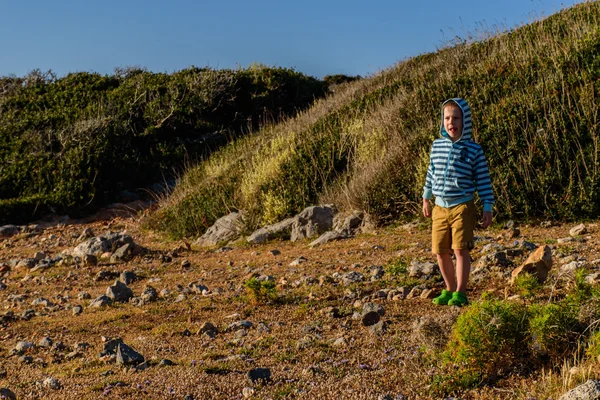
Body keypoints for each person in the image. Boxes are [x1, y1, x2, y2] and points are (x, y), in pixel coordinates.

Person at [422, 98, 494, 306]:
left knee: (460, 249)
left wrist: (487, 206)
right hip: (439, 207)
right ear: (442, 121)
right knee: (440, 251)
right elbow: (431, 172)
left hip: (463, 206)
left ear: (465, 121)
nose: (451, 122)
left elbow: (483, 179)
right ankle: (449, 289)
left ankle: (461, 293)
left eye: (455, 118)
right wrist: (426, 197)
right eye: (447, 118)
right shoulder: (436, 146)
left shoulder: (474, 150)